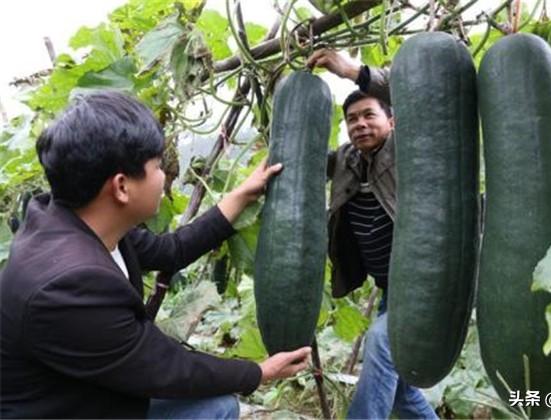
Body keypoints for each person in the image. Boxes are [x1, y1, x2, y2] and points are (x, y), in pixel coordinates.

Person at [0, 91, 311, 419]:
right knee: (214, 409)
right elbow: (164, 366)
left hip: (87, 391)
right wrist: (259, 373)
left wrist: (241, 195)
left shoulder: (82, 221)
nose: (164, 176)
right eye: (158, 166)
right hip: (65, 410)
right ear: (122, 187)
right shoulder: (70, 284)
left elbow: (171, 251)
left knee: (216, 405)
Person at [308, 49, 439, 419]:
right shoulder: (348, 160)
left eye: (369, 115)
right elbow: (303, 159)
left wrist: (353, 72)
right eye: (352, 119)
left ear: (393, 121)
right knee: (400, 393)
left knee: (381, 343)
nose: (360, 124)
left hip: (424, 282)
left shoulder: (409, 150)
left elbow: (419, 98)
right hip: (391, 287)